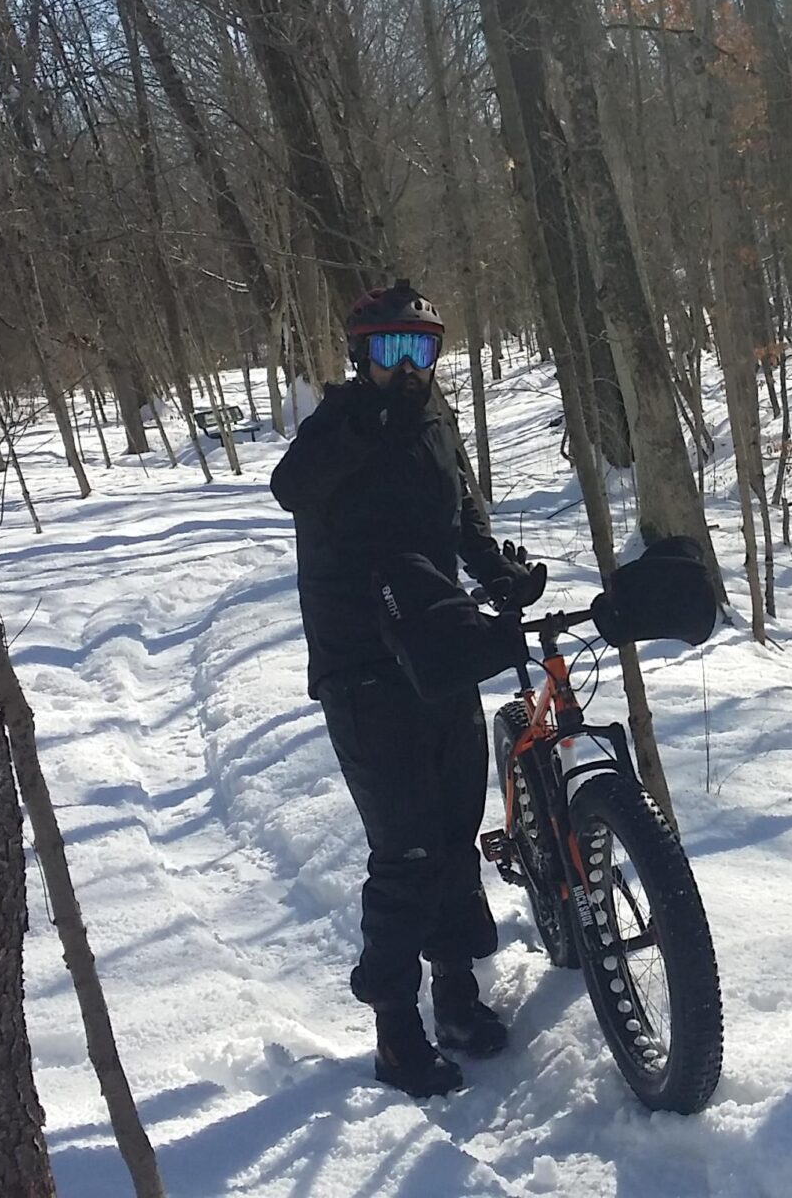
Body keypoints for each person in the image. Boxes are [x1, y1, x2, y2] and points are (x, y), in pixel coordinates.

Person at [269, 281, 546, 1098]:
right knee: (407, 849)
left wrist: (496, 570)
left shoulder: (436, 423)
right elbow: (290, 489)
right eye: (390, 351)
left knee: (455, 833)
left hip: (436, 650)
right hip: (362, 666)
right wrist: (356, 428)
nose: (408, 367)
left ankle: (457, 996)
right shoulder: (337, 425)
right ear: (362, 355)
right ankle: (396, 1031)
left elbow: (460, 515)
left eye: (421, 350)